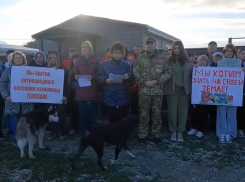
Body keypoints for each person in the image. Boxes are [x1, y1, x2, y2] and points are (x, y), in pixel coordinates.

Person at [134, 37, 171, 145]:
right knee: (144, 114)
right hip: (144, 91)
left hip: (157, 91)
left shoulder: (162, 58)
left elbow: (168, 72)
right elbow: (136, 72)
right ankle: (142, 135)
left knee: (156, 114)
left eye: (151, 44)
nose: (149, 46)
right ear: (146, 45)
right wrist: (144, 81)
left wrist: (157, 81)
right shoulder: (140, 58)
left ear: (155, 45)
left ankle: (156, 134)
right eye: (148, 44)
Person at [0, 51, 33, 141]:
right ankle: (17, 137)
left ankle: (25, 138)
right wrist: (6, 96)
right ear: (13, 60)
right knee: (14, 119)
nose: (18, 59)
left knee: (26, 120)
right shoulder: (8, 70)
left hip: (26, 102)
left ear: (23, 59)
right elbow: (2, 83)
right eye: (16, 58)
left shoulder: (29, 70)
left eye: (20, 58)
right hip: (12, 100)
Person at [97, 42, 133, 124]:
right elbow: (99, 75)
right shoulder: (105, 64)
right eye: (115, 53)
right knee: (111, 122)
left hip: (123, 97)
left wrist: (128, 76)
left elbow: (131, 75)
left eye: (119, 53)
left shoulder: (126, 64)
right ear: (112, 53)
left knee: (122, 121)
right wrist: (105, 80)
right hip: (109, 97)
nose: (117, 55)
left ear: (122, 54)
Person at [165, 40, 193, 142]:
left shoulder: (188, 60)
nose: (176, 50)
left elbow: (193, 71)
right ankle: (173, 131)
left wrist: (197, 67)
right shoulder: (168, 60)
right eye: (174, 48)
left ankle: (180, 131)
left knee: (183, 112)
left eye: (178, 48)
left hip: (184, 91)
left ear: (182, 49)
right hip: (172, 90)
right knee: (172, 112)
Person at [216, 44, 242, 144]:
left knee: (232, 113)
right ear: (224, 52)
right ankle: (221, 133)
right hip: (221, 91)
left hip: (234, 92)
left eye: (231, 51)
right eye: (227, 51)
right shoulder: (219, 63)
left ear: (234, 52)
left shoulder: (240, 63)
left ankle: (231, 133)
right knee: (221, 112)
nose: (229, 53)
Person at [75, 41, 99, 135]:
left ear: (90, 49)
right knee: (82, 114)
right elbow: (74, 73)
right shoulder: (79, 60)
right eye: (82, 47)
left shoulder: (95, 60)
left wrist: (93, 77)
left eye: (86, 47)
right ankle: (83, 132)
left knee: (91, 113)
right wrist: (75, 76)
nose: (84, 49)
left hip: (91, 89)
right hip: (81, 90)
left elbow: (99, 74)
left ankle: (92, 132)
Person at [46, 50, 69, 140]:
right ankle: (53, 132)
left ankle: (63, 132)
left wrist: (65, 95)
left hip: (61, 96)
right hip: (50, 96)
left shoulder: (63, 69)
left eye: (54, 58)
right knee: (51, 114)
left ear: (58, 58)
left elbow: (66, 84)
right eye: (51, 58)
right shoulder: (46, 69)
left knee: (61, 114)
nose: (52, 59)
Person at [188, 55, 209, 138]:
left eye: (204, 61)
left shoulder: (210, 70)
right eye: (200, 60)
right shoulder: (194, 69)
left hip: (205, 95)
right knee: (193, 112)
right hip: (195, 94)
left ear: (207, 62)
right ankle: (193, 127)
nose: (201, 62)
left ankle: (201, 129)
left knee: (203, 112)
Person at [67, 54, 80, 135]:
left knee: (80, 110)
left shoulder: (83, 69)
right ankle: (72, 127)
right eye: (74, 59)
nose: (75, 61)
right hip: (71, 92)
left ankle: (80, 127)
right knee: (72, 110)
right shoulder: (69, 70)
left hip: (81, 91)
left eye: (77, 59)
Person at [236, 48, 245, 137]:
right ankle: (239, 128)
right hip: (236, 90)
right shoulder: (235, 64)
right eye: (242, 53)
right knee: (239, 111)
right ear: (238, 55)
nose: (244, 55)